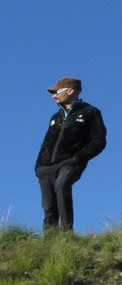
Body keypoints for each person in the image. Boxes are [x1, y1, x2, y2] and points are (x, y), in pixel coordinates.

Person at [35, 77, 106, 232]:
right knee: (48, 205)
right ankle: (50, 240)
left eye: (57, 92)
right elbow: (46, 143)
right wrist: (39, 166)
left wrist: (77, 158)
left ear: (70, 91)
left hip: (70, 163)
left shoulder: (90, 112)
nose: (54, 96)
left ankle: (66, 233)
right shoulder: (55, 117)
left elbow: (99, 140)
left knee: (62, 185)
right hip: (46, 167)